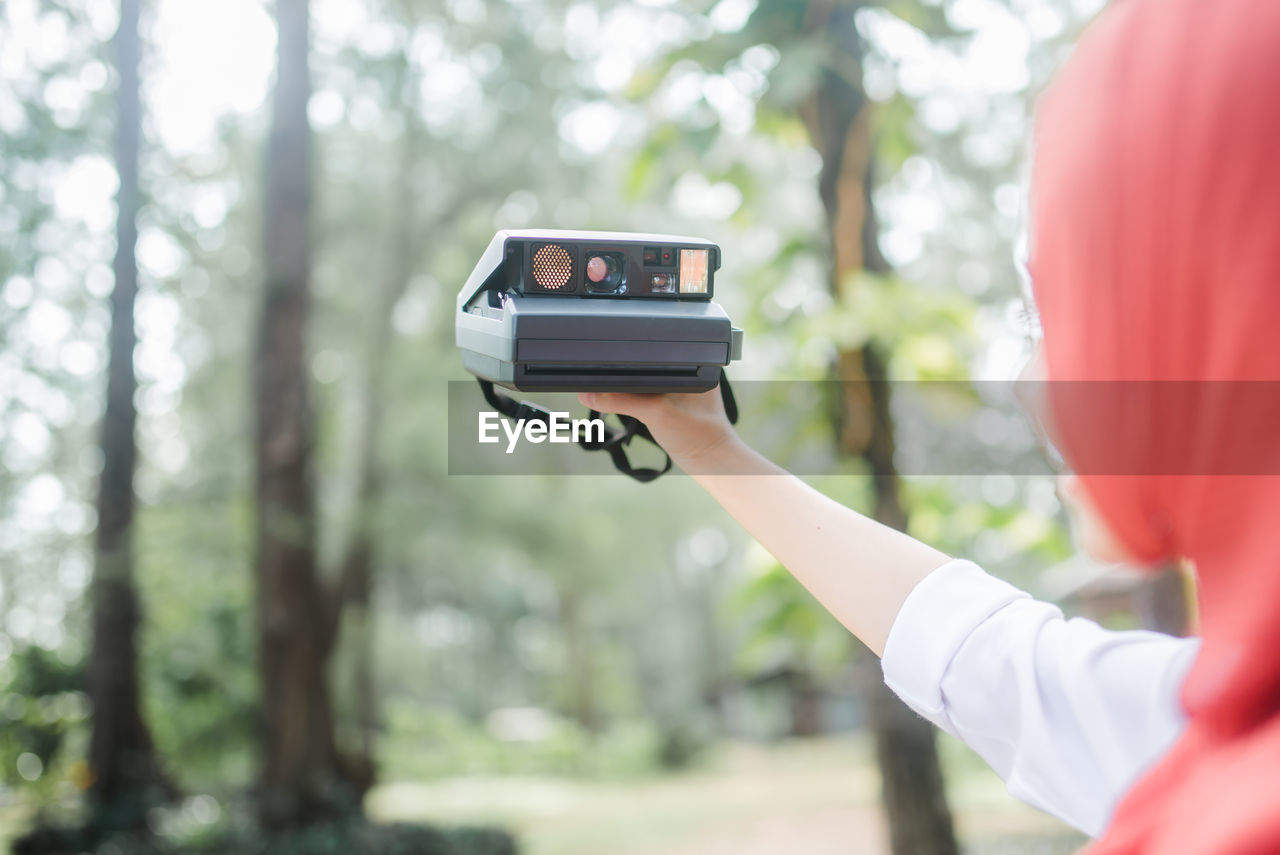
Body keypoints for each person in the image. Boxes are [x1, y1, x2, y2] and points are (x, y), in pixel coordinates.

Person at [580, 0, 1280, 852]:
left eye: (1058, 312)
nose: (1029, 382)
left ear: (1215, 312)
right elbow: (985, 656)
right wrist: (705, 442)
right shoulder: (1226, 729)